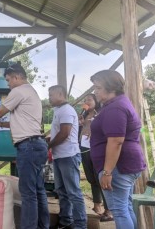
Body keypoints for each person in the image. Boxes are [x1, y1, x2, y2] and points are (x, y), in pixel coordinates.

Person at [0, 63, 49, 229]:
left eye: (8, 80)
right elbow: (20, 121)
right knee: (38, 190)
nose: (8, 84)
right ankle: (43, 226)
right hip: (38, 144)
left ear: (17, 77)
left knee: (28, 193)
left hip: (28, 147)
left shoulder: (18, 90)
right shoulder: (32, 92)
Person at [89, 70, 146, 229]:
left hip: (117, 167)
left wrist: (107, 172)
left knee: (120, 210)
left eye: (98, 87)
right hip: (125, 165)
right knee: (125, 207)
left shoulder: (115, 108)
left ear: (111, 88)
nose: (95, 91)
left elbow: (116, 141)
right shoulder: (119, 103)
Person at [47, 85, 87, 229]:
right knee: (61, 191)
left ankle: (80, 225)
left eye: (51, 95)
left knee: (73, 192)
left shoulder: (66, 110)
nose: (49, 98)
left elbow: (64, 134)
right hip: (60, 156)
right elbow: (57, 131)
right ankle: (65, 221)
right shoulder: (58, 110)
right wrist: (46, 137)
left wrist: (48, 145)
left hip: (68, 155)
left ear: (60, 94)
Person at [79, 94, 113, 222]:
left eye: (89, 100)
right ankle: (97, 206)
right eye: (85, 100)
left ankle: (108, 210)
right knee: (91, 178)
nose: (86, 102)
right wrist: (81, 124)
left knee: (99, 178)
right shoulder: (84, 115)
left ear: (96, 101)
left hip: (96, 149)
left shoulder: (100, 114)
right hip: (84, 148)